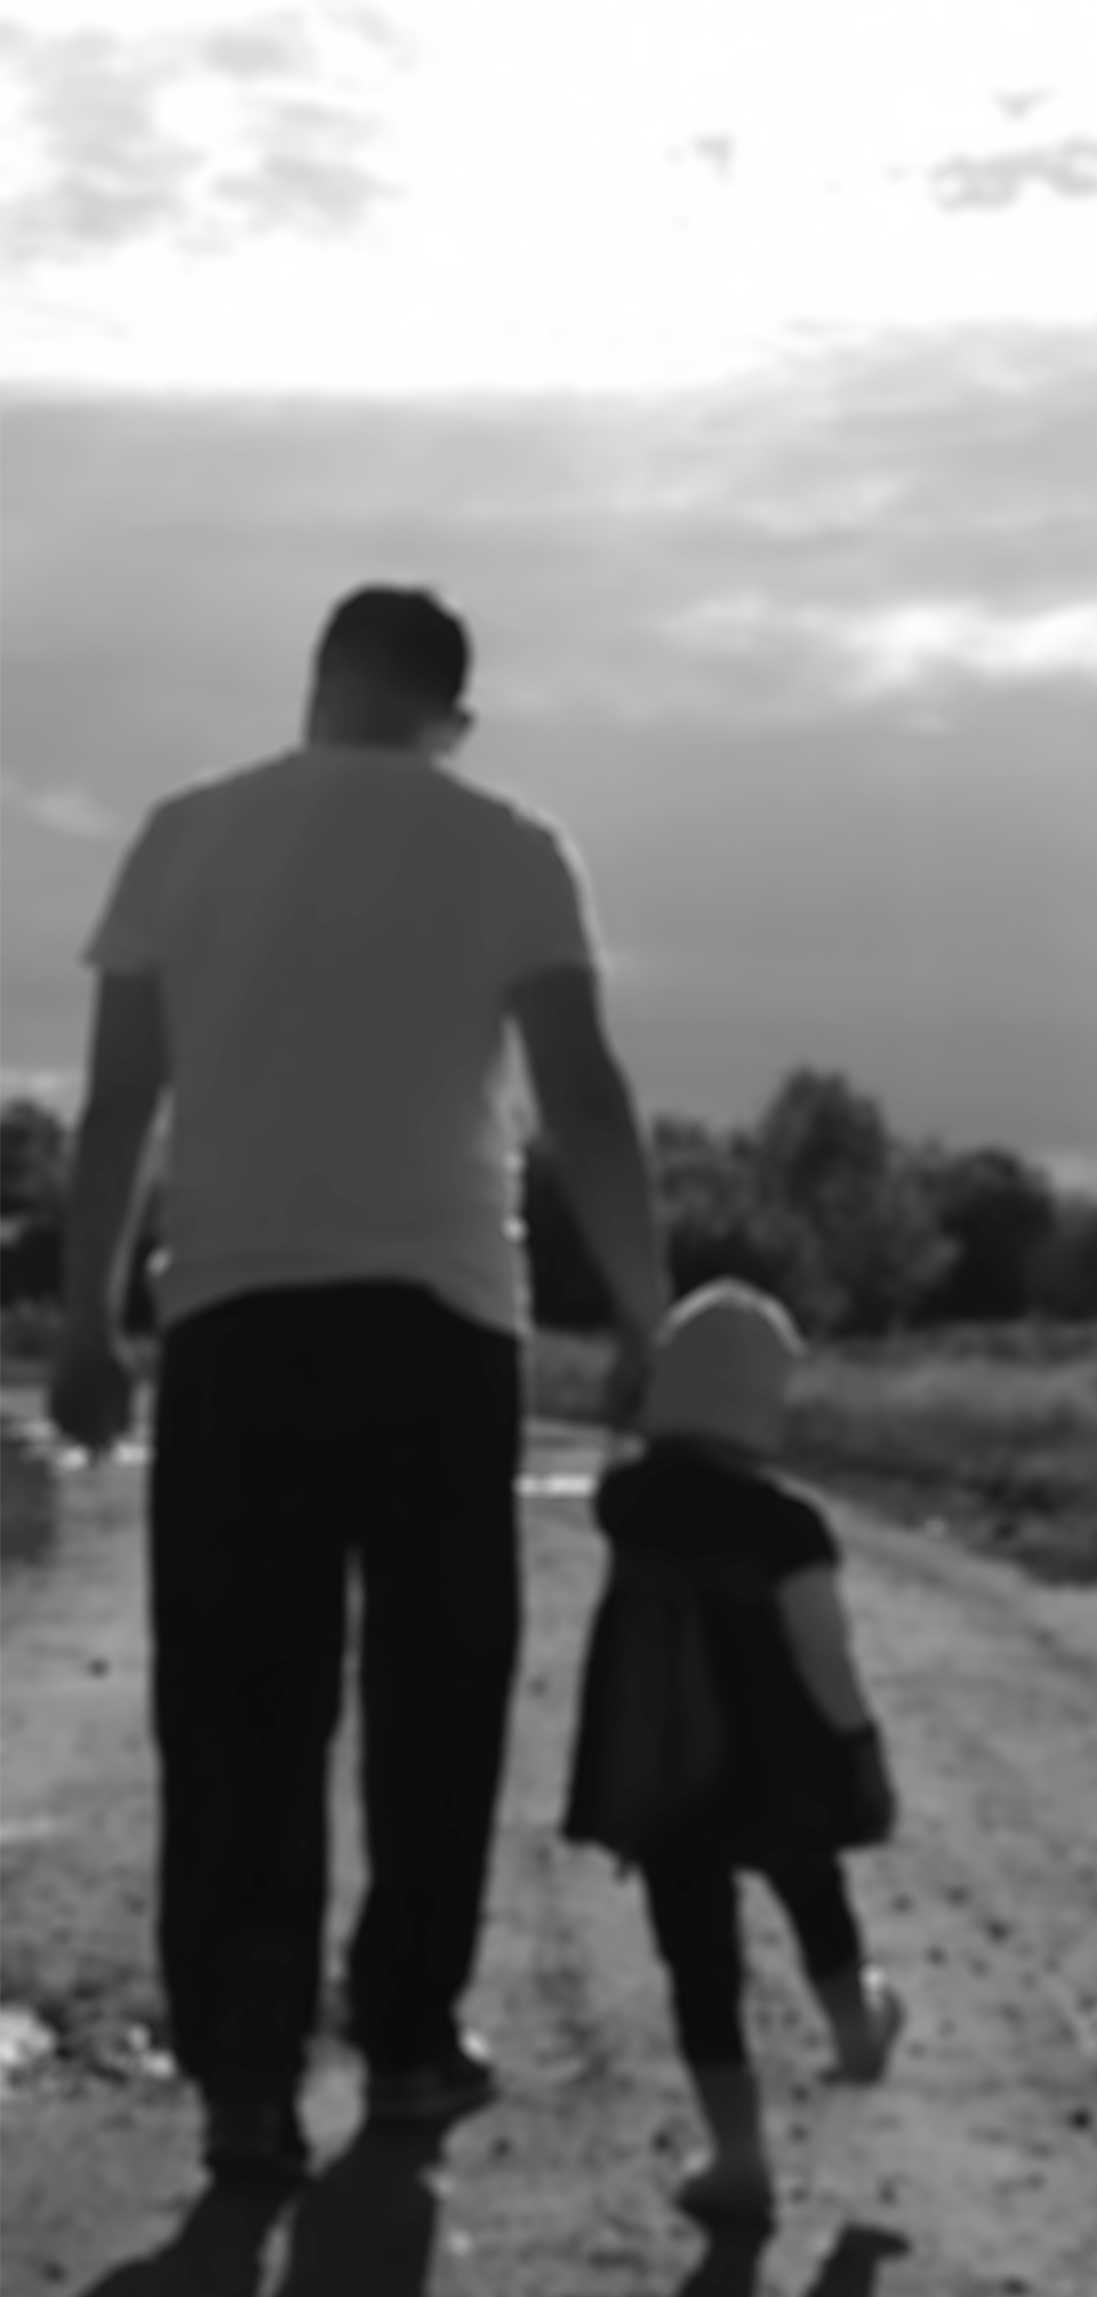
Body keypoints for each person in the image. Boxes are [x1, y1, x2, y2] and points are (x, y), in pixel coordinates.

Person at [49, 584, 667, 2184]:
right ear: (449, 717)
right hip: (442, 1321)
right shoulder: (509, 844)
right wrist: (648, 1317)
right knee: (436, 1697)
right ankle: (404, 2044)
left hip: (240, 1321)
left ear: (319, 685)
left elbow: (119, 1107)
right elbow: (585, 1098)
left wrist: (91, 1322)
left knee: (239, 1704)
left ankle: (245, 2080)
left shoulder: (185, 835)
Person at [563, 1281, 904, 2230]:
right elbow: (822, 1647)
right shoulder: (787, 1523)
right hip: (784, 1760)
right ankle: (858, 2023)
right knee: (815, 1898)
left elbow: (618, 1453)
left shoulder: (628, 1503)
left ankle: (740, 2154)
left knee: (698, 1960)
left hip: (671, 1764)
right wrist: (857, 1739)